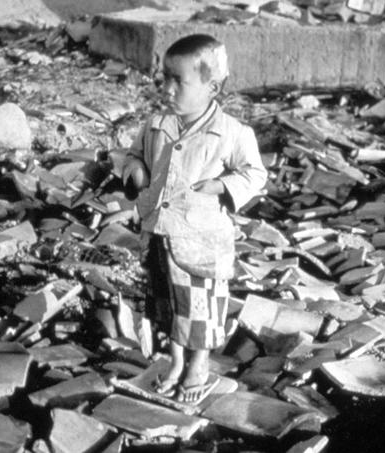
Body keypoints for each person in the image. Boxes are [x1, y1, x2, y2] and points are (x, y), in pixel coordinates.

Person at [122, 34, 267, 404]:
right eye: (164, 79)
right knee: (166, 304)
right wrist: (134, 169)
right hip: (160, 234)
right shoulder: (156, 125)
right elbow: (132, 154)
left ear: (212, 86)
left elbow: (255, 174)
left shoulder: (233, 133)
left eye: (179, 81)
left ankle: (198, 364)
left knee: (198, 309)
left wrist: (221, 185)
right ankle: (174, 361)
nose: (167, 89)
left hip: (202, 243)